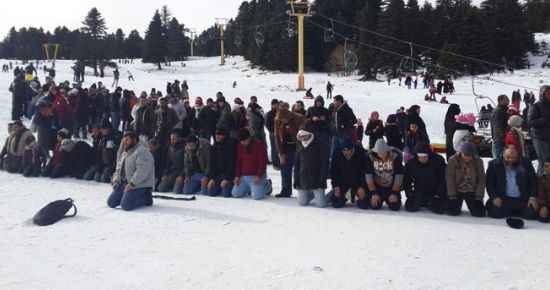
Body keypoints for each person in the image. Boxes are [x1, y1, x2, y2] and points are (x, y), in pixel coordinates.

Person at [485, 145, 539, 220]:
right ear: (503, 154)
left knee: (532, 213)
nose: (510, 160)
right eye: (508, 157)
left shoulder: (526, 163)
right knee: (494, 212)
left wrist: (532, 197)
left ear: (518, 156)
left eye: (514, 158)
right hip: (503, 198)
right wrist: (495, 197)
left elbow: (533, 180)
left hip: (522, 199)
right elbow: (490, 183)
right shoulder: (494, 164)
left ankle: (514, 211)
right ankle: (515, 211)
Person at [108, 131, 155, 211]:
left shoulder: (142, 152)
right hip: (125, 183)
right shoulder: (125, 154)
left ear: (134, 140)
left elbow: (142, 171)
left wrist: (132, 184)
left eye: (127, 140)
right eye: (124, 140)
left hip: (141, 184)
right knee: (111, 202)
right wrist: (116, 181)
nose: (124, 143)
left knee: (126, 205)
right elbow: (118, 169)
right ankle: (127, 196)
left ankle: (146, 198)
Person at [294, 121, 331, 207]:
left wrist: (322, 181)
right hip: (303, 178)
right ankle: (314, 195)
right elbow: (296, 164)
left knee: (321, 204)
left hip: (317, 180)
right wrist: (296, 180)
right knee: (302, 202)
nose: (303, 138)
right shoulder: (299, 145)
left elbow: (325, 163)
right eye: (301, 136)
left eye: (305, 135)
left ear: (310, 134)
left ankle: (332, 193)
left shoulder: (320, 144)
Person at [403, 142, 446, 213]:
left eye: (425, 157)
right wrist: (410, 194)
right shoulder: (411, 163)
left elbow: (443, 179)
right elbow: (407, 180)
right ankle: (425, 202)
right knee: (410, 207)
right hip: (419, 191)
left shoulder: (438, 161)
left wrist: (439, 194)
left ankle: (431, 202)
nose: (423, 159)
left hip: (435, 192)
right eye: (421, 157)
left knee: (440, 209)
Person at [446, 142, 486, 217]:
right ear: (461, 152)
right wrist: (452, 196)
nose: (468, 158)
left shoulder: (478, 161)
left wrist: (479, 197)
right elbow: (450, 178)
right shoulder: (453, 160)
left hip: (471, 190)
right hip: (457, 190)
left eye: (470, 156)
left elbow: (481, 179)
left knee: (479, 213)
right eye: (466, 155)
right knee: (452, 211)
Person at [274, 103, 304, 198]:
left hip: (298, 146)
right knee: (285, 169)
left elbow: (303, 135)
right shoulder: (277, 120)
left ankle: (303, 190)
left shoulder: (298, 118)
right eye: (280, 120)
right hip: (285, 147)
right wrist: (280, 154)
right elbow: (277, 137)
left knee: (300, 170)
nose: (282, 121)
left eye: (284, 119)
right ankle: (286, 191)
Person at [232, 128, 272, 200]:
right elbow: (238, 162)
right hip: (244, 176)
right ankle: (250, 187)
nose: (242, 142)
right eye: (241, 141)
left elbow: (262, 163)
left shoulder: (259, 145)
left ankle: (267, 185)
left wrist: (259, 176)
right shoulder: (240, 146)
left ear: (249, 138)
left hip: (256, 176)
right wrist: (237, 176)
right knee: (235, 194)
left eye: (244, 140)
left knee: (257, 196)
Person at [365, 139, 404, 211]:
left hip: (391, 186)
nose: (382, 156)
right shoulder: (370, 157)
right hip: (378, 186)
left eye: (384, 153)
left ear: (387, 150)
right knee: (374, 206)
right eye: (379, 153)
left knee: (395, 207)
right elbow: (368, 175)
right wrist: (373, 193)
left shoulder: (395, 156)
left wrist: (395, 193)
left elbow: (399, 175)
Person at [330, 137, 368, 209]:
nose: (346, 152)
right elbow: (333, 172)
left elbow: (365, 172)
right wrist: (336, 187)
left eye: (349, 150)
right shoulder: (336, 154)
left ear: (353, 148)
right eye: (344, 150)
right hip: (342, 185)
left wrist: (362, 187)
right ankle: (333, 192)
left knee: (364, 205)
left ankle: (356, 196)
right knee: (336, 203)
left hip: (358, 185)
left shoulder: (362, 153)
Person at [206, 128, 236, 197]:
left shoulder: (231, 145)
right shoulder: (214, 146)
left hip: (229, 175)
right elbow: (211, 163)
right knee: (211, 192)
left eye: (219, 135)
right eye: (216, 134)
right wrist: (212, 178)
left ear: (224, 136)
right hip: (218, 175)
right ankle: (219, 187)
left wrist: (227, 178)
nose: (217, 136)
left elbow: (231, 164)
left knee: (225, 194)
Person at [527, 85, 550, 176]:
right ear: (543, 94)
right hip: (540, 137)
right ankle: (540, 184)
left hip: (548, 137)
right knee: (544, 162)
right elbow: (530, 121)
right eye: (548, 93)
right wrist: (544, 120)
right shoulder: (536, 106)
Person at [265, 99, 280, 169]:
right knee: (274, 148)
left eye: (277, 105)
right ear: (272, 105)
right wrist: (273, 130)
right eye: (274, 105)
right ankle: (275, 164)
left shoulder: (280, 112)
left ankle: (280, 161)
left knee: (280, 148)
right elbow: (267, 124)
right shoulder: (269, 113)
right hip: (273, 133)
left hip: (281, 133)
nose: (276, 106)